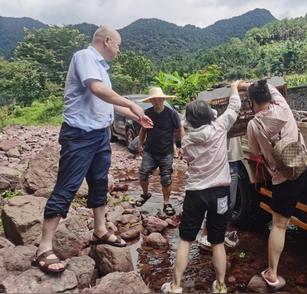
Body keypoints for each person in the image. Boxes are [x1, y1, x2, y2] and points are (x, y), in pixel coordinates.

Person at [32, 26, 153, 274]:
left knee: (99, 182)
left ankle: (100, 230)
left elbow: (105, 102)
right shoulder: (84, 57)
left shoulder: (101, 68)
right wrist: (131, 102)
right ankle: (43, 248)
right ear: (107, 41)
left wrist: (134, 115)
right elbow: (97, 90)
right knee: (67, 185)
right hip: (79, 135)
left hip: (100, 135)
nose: (119, 50)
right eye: (118, 45)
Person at [245, 79, 307, 290]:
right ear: (269, 95)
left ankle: (272, 274)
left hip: (283, 178)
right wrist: (249, 84)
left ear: (252, 101)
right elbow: (273, 87)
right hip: (305, 165)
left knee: (279, 225)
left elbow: (254, 152)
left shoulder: (253, 125)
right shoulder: (283, 107)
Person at [161, 81, 242, 294]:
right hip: (220, 193)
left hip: (196, 193)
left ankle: (176, 285)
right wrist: (234, 87)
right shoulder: (220, 126)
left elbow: (187, 159)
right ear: (210, 116)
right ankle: (221, 285)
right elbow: (234, 107)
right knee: (217, 242)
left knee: (186, 240)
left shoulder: (187, 141)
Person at [135, 87, 184, 216]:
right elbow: (143, 131)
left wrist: (180, 146)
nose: (157, 102)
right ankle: (145, 194)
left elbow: (180, 130)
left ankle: (166, 203)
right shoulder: (148, 113)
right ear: (151, 101)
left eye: (159, 99)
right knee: (143, 173)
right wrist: (140, 145)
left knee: (166, 178)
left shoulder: (171, 114)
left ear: (163, 99)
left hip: (166, 151)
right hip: (150, 150)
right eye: (154, 100)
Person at [197, 137, 242, 250]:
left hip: (232, 159)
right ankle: (205, 234)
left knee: (230, 202)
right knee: (214, 200)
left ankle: (220, 233)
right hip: (215, 158)